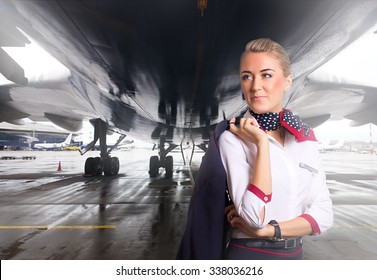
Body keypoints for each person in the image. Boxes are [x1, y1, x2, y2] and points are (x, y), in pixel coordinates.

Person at [176, 38, 333, 260]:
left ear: (287, 81)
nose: (255, 86)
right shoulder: (232, 138)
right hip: (250, 254)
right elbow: (253, 218)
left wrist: (272, 230)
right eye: (247, 77)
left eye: (266, 75)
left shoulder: (304, 139)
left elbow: (324, 216)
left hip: (295, 256)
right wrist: (261, 144)